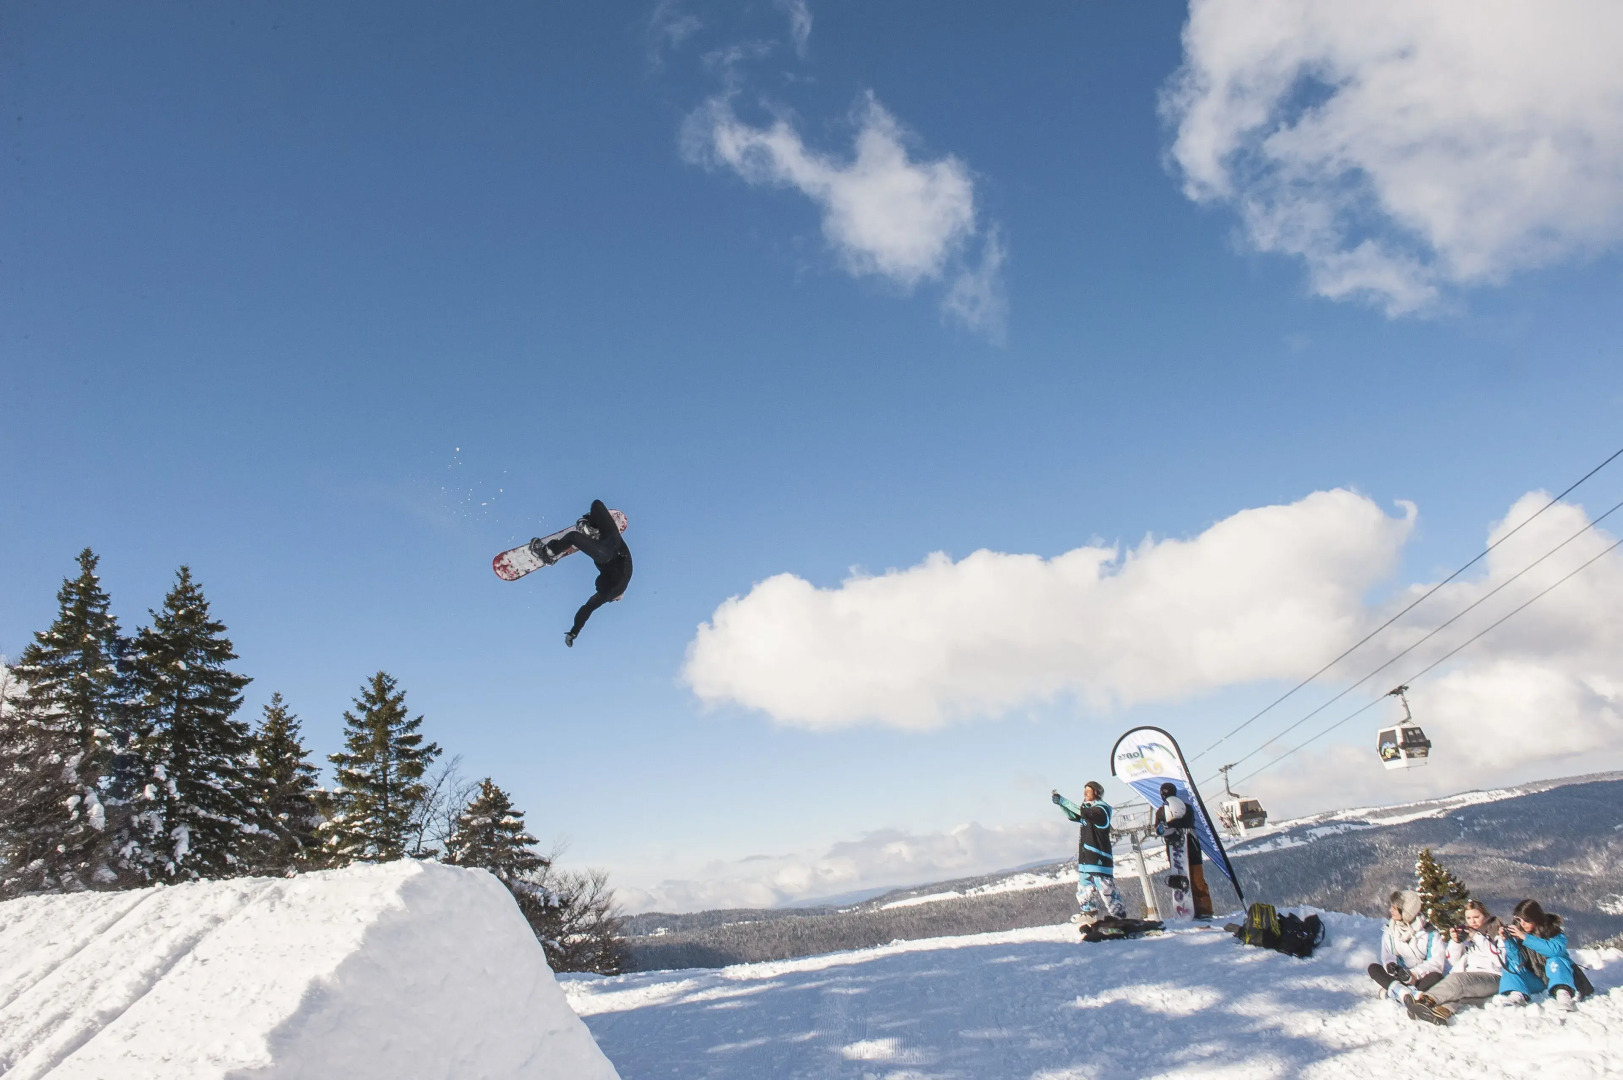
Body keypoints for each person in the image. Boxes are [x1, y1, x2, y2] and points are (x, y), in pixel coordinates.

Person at [531, 499, 633, 647]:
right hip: (606, 554)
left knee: (597, 504)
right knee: (573, 537)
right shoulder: (610, 593)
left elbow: (587, 610)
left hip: (614, 539)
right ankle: (549, 553)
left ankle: (592, 527)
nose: (596, 592)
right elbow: (586, 610)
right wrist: (574, 632)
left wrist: (575, 631)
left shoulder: (625, 578)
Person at [1404, 900, 1505, 1024]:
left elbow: (1500, 960)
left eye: (1476, 917)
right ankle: (1440, 1012)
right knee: (1457, 993)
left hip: (1494, 977)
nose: (1472, 921)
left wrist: (1478, 938)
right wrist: (1456, 942)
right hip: (1472, 979)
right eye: (1468, 918)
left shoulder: (1497, 933)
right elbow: (1451, 962)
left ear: (1486, 916)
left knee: (1458, 980)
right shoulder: (1469, 935)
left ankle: (1424, 1000)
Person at [1052, 782, 1127, 924]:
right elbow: (1075, 815)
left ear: (1097, 793)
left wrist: (1064, 801)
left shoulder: (1101, 809)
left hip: (1099, 857)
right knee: (1084, 888)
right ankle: (1088, 912)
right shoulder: (1088, 810)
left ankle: (1118, 915)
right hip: (1086, 859)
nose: (1085, 794)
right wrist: (1061, 805)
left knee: (1105, 888)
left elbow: (1086, 813)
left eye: (1088, 791)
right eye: (1084, 791)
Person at [1367, 890, 1446, 1003]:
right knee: (1373, 968)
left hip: (1421, 976)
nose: (1390, 911)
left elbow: (1436, 963)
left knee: (1436, 977)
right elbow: (1388, 956)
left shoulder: (1429, 933)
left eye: (1395, 908)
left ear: (1407, 911)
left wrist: (1413, 974)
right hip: (1399, 976)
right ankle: (1407, 994)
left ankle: (1396, 992)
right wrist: (1391, 967)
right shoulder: (1390, 931)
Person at [1499, 898, 1578, 1010]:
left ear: (1535, 918)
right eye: (1519, 920)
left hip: (1556, 976)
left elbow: (1555, 950)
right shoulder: (1520, 933)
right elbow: (1517, 960)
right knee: (1511, 965)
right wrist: (1508, 941)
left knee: (1556, 960)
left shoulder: (1553, 932)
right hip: (1535, 979)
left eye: (1526, 920)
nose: (1522, 924)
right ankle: (1517, 994)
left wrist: (1525, 938)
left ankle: (1563, 994)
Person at [1152, 781, 1213, 919]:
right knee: (1183, 879)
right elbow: (1159, 829)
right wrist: (1167, 830)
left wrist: (1171, 827)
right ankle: (1187, 908)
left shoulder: (1186, 808)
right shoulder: (1161, 811)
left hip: (1188, 845)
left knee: (1196, 879)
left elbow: (1183, 822)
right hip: (1176, 849)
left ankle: (1203, 910)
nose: (1164, 795)